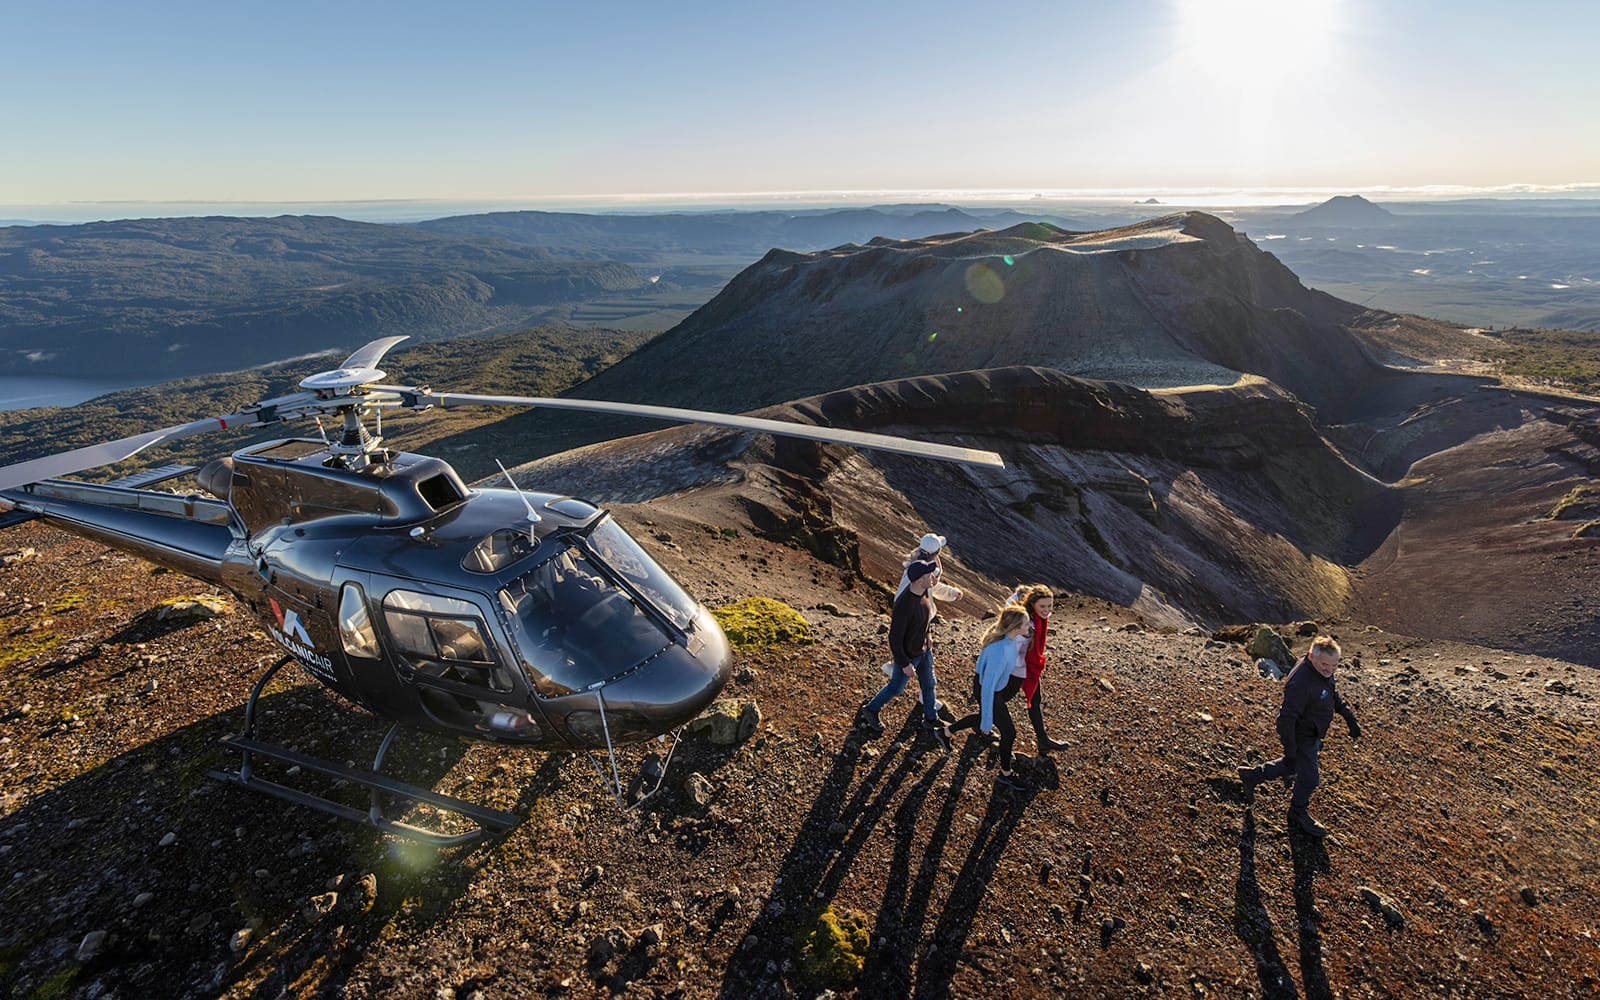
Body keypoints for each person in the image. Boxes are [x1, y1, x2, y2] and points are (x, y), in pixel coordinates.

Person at [1237, 635, 1362, 837]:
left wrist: (1349, 718)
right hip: (1303, 735)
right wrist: (1291, 748)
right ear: (1312, 656)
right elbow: (1285, 719)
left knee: (1292, 765)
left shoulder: (1320, 670)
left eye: (1334, 665)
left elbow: (1332, 693)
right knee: (1311, 778)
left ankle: (1252, 776)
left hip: (1312, 732)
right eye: (1325, 665)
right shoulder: (1301, 682)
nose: (1330, 670)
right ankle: (1298, 810)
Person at [857, 561, 951, 749]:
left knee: (929, 683)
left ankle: (931, 718)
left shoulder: (924, 592)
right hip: (909, 656)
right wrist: (904, 663)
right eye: (928, 575)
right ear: (918, 580)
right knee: (896, 688)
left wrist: (928, 634)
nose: (932, 578)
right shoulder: (904, 604)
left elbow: (926, 617)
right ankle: (871, 709)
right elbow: (895, 637)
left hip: (924, 650)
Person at [943, 605, 1030, 789]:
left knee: (985, 717)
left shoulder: (1010, 640)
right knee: (1009, 733)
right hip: (987, 689)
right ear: (1015, 627)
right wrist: (987, 723)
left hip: (988, 686)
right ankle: (1006, 774)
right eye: (1026, 623)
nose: (1028, 626)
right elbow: (988, 687)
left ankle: (946, 731)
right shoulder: (1000, 650)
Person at [1010, 584, 1069, 756]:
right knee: (1001, 697)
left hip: (1028, 665)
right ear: (1033, 604)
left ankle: (1043, 740)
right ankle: (978, 723)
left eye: (1050, 605)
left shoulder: (1039, 619)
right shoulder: (1025, 622)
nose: (1047, 610)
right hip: (1016, 666)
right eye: (1042, 606)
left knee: (1035, 700)